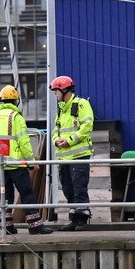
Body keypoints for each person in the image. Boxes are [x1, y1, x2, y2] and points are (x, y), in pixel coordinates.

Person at [0, 84, 51, 235]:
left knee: (5, 196)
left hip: (0, 166)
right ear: (15, 101)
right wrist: (31, 162)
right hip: (16, 164)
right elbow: (24, 142)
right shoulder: (16, 117)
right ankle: (35, 225)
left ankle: (7, 226)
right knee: (27, 193)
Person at [48, 75, 95, 230]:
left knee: (79, 187)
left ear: (64, 89)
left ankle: (82, 220)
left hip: (79, 155)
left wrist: (69, 140)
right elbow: (56, 130)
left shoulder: (81, 104)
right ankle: (74, 218)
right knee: (68, 188)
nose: (55, 94)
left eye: (56, 91)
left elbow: (86, 127)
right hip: (64, 157)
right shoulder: (61, 110)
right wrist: (56, 140)